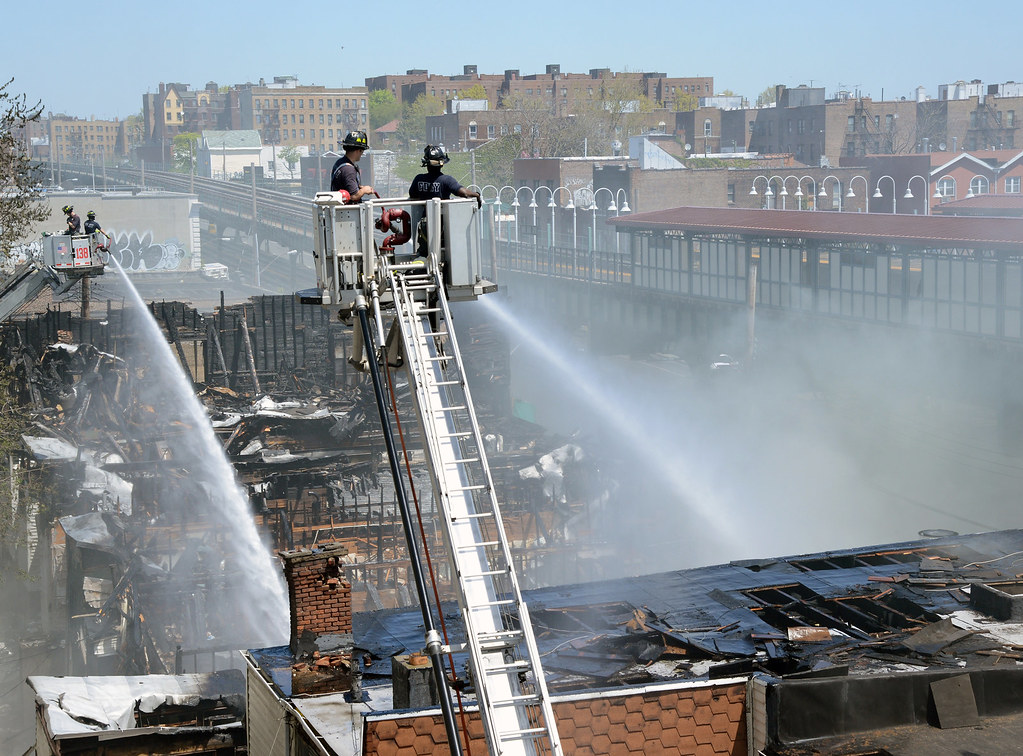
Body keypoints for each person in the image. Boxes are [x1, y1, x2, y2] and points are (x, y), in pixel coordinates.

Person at [408, 145, 482, 207]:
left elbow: (413, 196)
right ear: (442, 164)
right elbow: (464, 193)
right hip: (443, 220)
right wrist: (477, 195)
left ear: (426, 164)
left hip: (421, 220)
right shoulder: (447, 180)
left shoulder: (418, 179)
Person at [330, 131, 374, 201]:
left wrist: (358, 188)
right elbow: (354, 196)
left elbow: (346, 186)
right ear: (357, 150)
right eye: (362, 151)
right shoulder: (348, 170)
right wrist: (364, 190)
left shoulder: (340, 163)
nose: (362, 154)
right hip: (346, 211)